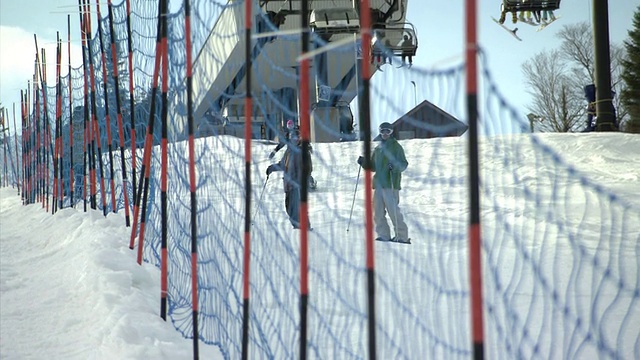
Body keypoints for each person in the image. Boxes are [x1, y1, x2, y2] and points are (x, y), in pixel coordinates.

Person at [357, 122, 409, 243]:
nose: (385, 134)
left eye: (388, 131)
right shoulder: (378, 149)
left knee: (393, 212)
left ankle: (402, 236)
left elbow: (403, 164)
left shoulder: (396, 147)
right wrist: (364, 162)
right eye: (383, 131)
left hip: (391, 184)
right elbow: (373, 167)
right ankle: (383, 234)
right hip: (378, 185)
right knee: (378, 211)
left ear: (391, 133)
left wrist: (394, 166)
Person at [266, 127, 312, 229]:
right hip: (288, 185)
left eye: (296, 138)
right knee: (289, 208)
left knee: (297, 208)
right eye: (292, 138)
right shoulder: (289, 151)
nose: (294, 140)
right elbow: (283, 165)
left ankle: (304, 228)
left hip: (297, 185)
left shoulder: (302, 151)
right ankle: (298, 228)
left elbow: (308, 168)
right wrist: (272, 168)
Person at [269, 120, 317, 189]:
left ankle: (309, 182)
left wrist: (309, 148)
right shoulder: (288, 137)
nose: (294, 140)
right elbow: (282, 145)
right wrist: (274, 152)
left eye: (297, 139)